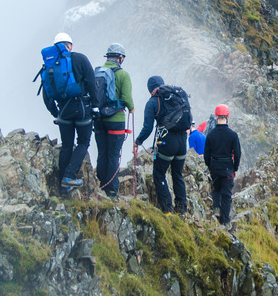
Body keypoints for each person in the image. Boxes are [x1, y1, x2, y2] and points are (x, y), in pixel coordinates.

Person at [41, 33, 99, 195]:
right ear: (70, 45)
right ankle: (69, 176)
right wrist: (95, 106)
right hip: (81, 109)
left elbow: (47, 96)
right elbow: (91, 83)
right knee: (83, 142)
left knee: (66, 145)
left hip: (63, 112)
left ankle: (62, 185)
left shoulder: (49, 65)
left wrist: (56, 112)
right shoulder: (80, 59)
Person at [133, 76, 190, 215]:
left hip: (167, 142)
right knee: (177, 174)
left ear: (150, 89)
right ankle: (182, 210)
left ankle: (167, 210)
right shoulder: (177, 96)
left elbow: (147, 128)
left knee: (159, 174)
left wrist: (137, 142)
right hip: (183, 141)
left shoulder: (153, 102)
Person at [93, 43, 134, 198]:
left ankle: (101, 183)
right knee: (114, 154)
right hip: (116, 119)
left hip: (98, 118)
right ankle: (111, 189)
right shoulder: (123, 75)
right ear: (120, 58)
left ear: (107, 57)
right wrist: (132, 108)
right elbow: (127, 98)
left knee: (102, 152)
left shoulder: (97, 72)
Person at [203, 104, 241, 228]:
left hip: (214, 167)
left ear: (216, 116)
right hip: (228, 168)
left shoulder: (211, 134)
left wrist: (209, 166)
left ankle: (215, 211)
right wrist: (235, 168)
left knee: (216, 190)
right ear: (227, 116)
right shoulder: (233, 135)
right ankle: (224, 220)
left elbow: (206, 154)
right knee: (226, 194)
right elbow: (238, 153)